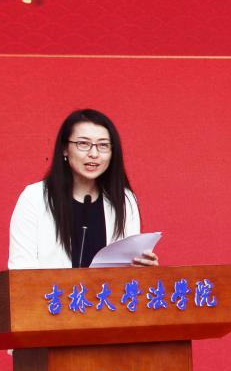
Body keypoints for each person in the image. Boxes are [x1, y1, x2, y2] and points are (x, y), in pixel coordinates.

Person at [8, 109, 159, 269]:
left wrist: (144, 270)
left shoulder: (124, 200)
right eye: (83, 144)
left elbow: (129, 271)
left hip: (107, 287)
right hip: (48, 287)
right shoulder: (34, 198)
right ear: (65, 148)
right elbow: (20, 270)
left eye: (103, 145)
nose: (94, 153)